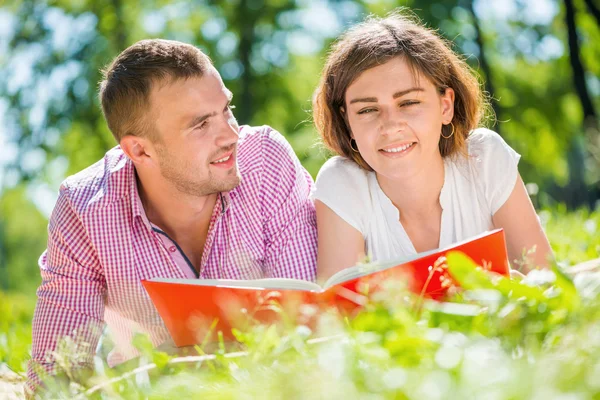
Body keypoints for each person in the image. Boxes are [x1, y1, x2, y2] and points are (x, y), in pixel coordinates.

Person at [27, 39, 317, 393]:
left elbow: (307, 328)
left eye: (227, 108)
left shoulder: (266, 160)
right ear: (139, 149)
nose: (231, 135)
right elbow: (55, 373)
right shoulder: (84, 209)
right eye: (200, 125)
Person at [311, 12, 553, 282]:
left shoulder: (483, 158)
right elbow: (336, 315)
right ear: (348, 123)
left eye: (408, 103)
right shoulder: (342, 183)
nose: (390, 126)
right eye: (368, 109)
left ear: (445, 106)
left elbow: (545, 281)